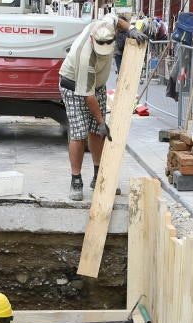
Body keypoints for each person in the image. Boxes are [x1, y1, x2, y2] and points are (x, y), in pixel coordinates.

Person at [59, 14, 147, 201]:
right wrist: (101, 121)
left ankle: (99, 176)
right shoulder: (85, 57)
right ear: (92, 39)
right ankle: (76, 179)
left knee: (97, 133)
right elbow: (88, 96)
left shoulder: (106, 26)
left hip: (96, 85)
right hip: (73, 85)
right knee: (79, 133)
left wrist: (130, 29)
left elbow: (116, 19)